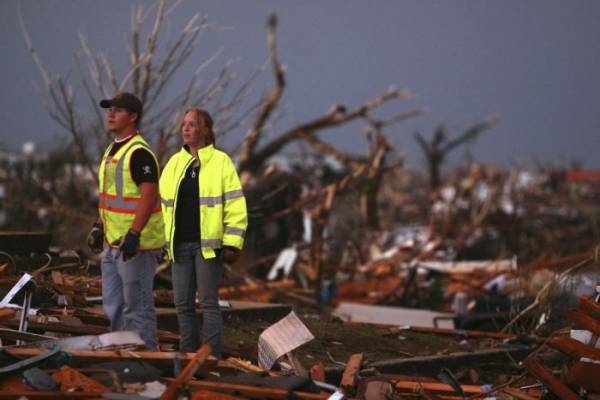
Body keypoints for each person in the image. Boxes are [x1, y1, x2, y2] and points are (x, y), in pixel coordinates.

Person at [159, 107, 247, 357]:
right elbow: (161, 207)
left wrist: (232, 243)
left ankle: (210, 356)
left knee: (208, 303)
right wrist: (156, 240)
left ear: (205, 130)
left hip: (207, 247)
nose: (185, 128)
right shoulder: (175, 164)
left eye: (192, 124)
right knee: (182, 304)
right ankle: (189, 354)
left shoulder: (221, 162)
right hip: (179, 246)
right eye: (184, 124)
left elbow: (235, 204)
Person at [86, 92, 164, 350]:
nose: (110, 114)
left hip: (135, 246)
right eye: (109, 109)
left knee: (137, 305)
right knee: (114, 305)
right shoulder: (112, 150)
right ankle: (121, 357)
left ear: (133, 117)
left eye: (117, 110)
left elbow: (149, 195)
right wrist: (99, 225)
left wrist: (134, 233)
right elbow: (111, 196)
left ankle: (146, 358)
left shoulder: (139, 153)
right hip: (113, 242)